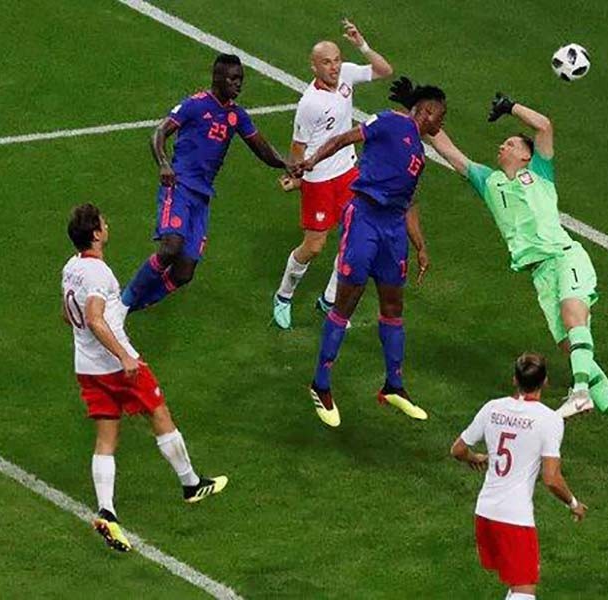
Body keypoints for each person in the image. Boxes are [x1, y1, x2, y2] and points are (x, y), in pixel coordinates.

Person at [427, 91, 608, 461]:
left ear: (525, 155)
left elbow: (544, 125)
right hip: (539, 275)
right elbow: (450, 152)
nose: (503, 146)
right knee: (572, 349)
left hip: (564, 257)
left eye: (510, 143)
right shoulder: (489, 182)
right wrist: (420, 116)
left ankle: (579, 393)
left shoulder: (539, 173)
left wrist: (510, 108)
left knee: (575, 317)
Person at [62, 204, 227, 552]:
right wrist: (123, 355)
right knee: (159, 413)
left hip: (87, 366)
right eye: (103, 223)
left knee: (106, 437)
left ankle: (107, 512)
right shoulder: (98, 274)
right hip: (116, 364)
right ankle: (191, 484)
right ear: (95, 234)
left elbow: (69, 314)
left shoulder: (70, 268)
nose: (108, 225)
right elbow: (93, 318)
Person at [289, 78, 446, 427]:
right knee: (347, 301)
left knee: (393, 306)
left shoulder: (419, 154)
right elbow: (344, 139)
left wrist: (420, 246)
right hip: (365, 220)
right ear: (428, 111)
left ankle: (394, 385)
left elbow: (409, 203)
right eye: (441, 116)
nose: (442, 124)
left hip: (393, 231)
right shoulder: (390, 122)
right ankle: (321, 384)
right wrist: (312, 160)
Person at [121, 53, 291, 312]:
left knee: (184, 272)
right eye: (234, 79)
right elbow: (158, 133)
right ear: (218, 78)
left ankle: (135, 305)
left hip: (201, 197)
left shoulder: (237, 116)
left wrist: (285, 163)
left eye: (241, 79)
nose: (239, 84)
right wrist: (164, 163)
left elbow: (262, 149)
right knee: (170, 247)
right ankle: (123, 303)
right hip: (179, 186)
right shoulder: (196, 105)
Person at [273, 20, 394, 329]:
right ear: (314, 67)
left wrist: (361, 44)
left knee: (353, 237)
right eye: (327, 62)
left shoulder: (347, 75)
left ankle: (328, 300)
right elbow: (297, 147)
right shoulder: (309, 104)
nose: (334, 67)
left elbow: (385, 71)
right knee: (314, 246)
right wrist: (298, 179)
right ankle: (284, 295)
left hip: (348, 172)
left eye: (337, 60)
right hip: (318, 179)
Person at [451, 353, 587, 599]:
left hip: (485, 512)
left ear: (514, 379)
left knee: (516, 584)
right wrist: (573, 503)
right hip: (515, 518)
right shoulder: (550, 420)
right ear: (545, 382)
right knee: (525, 589)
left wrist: (475, 458)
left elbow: (458, 449)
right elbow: (551, 478)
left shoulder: (492, 408)